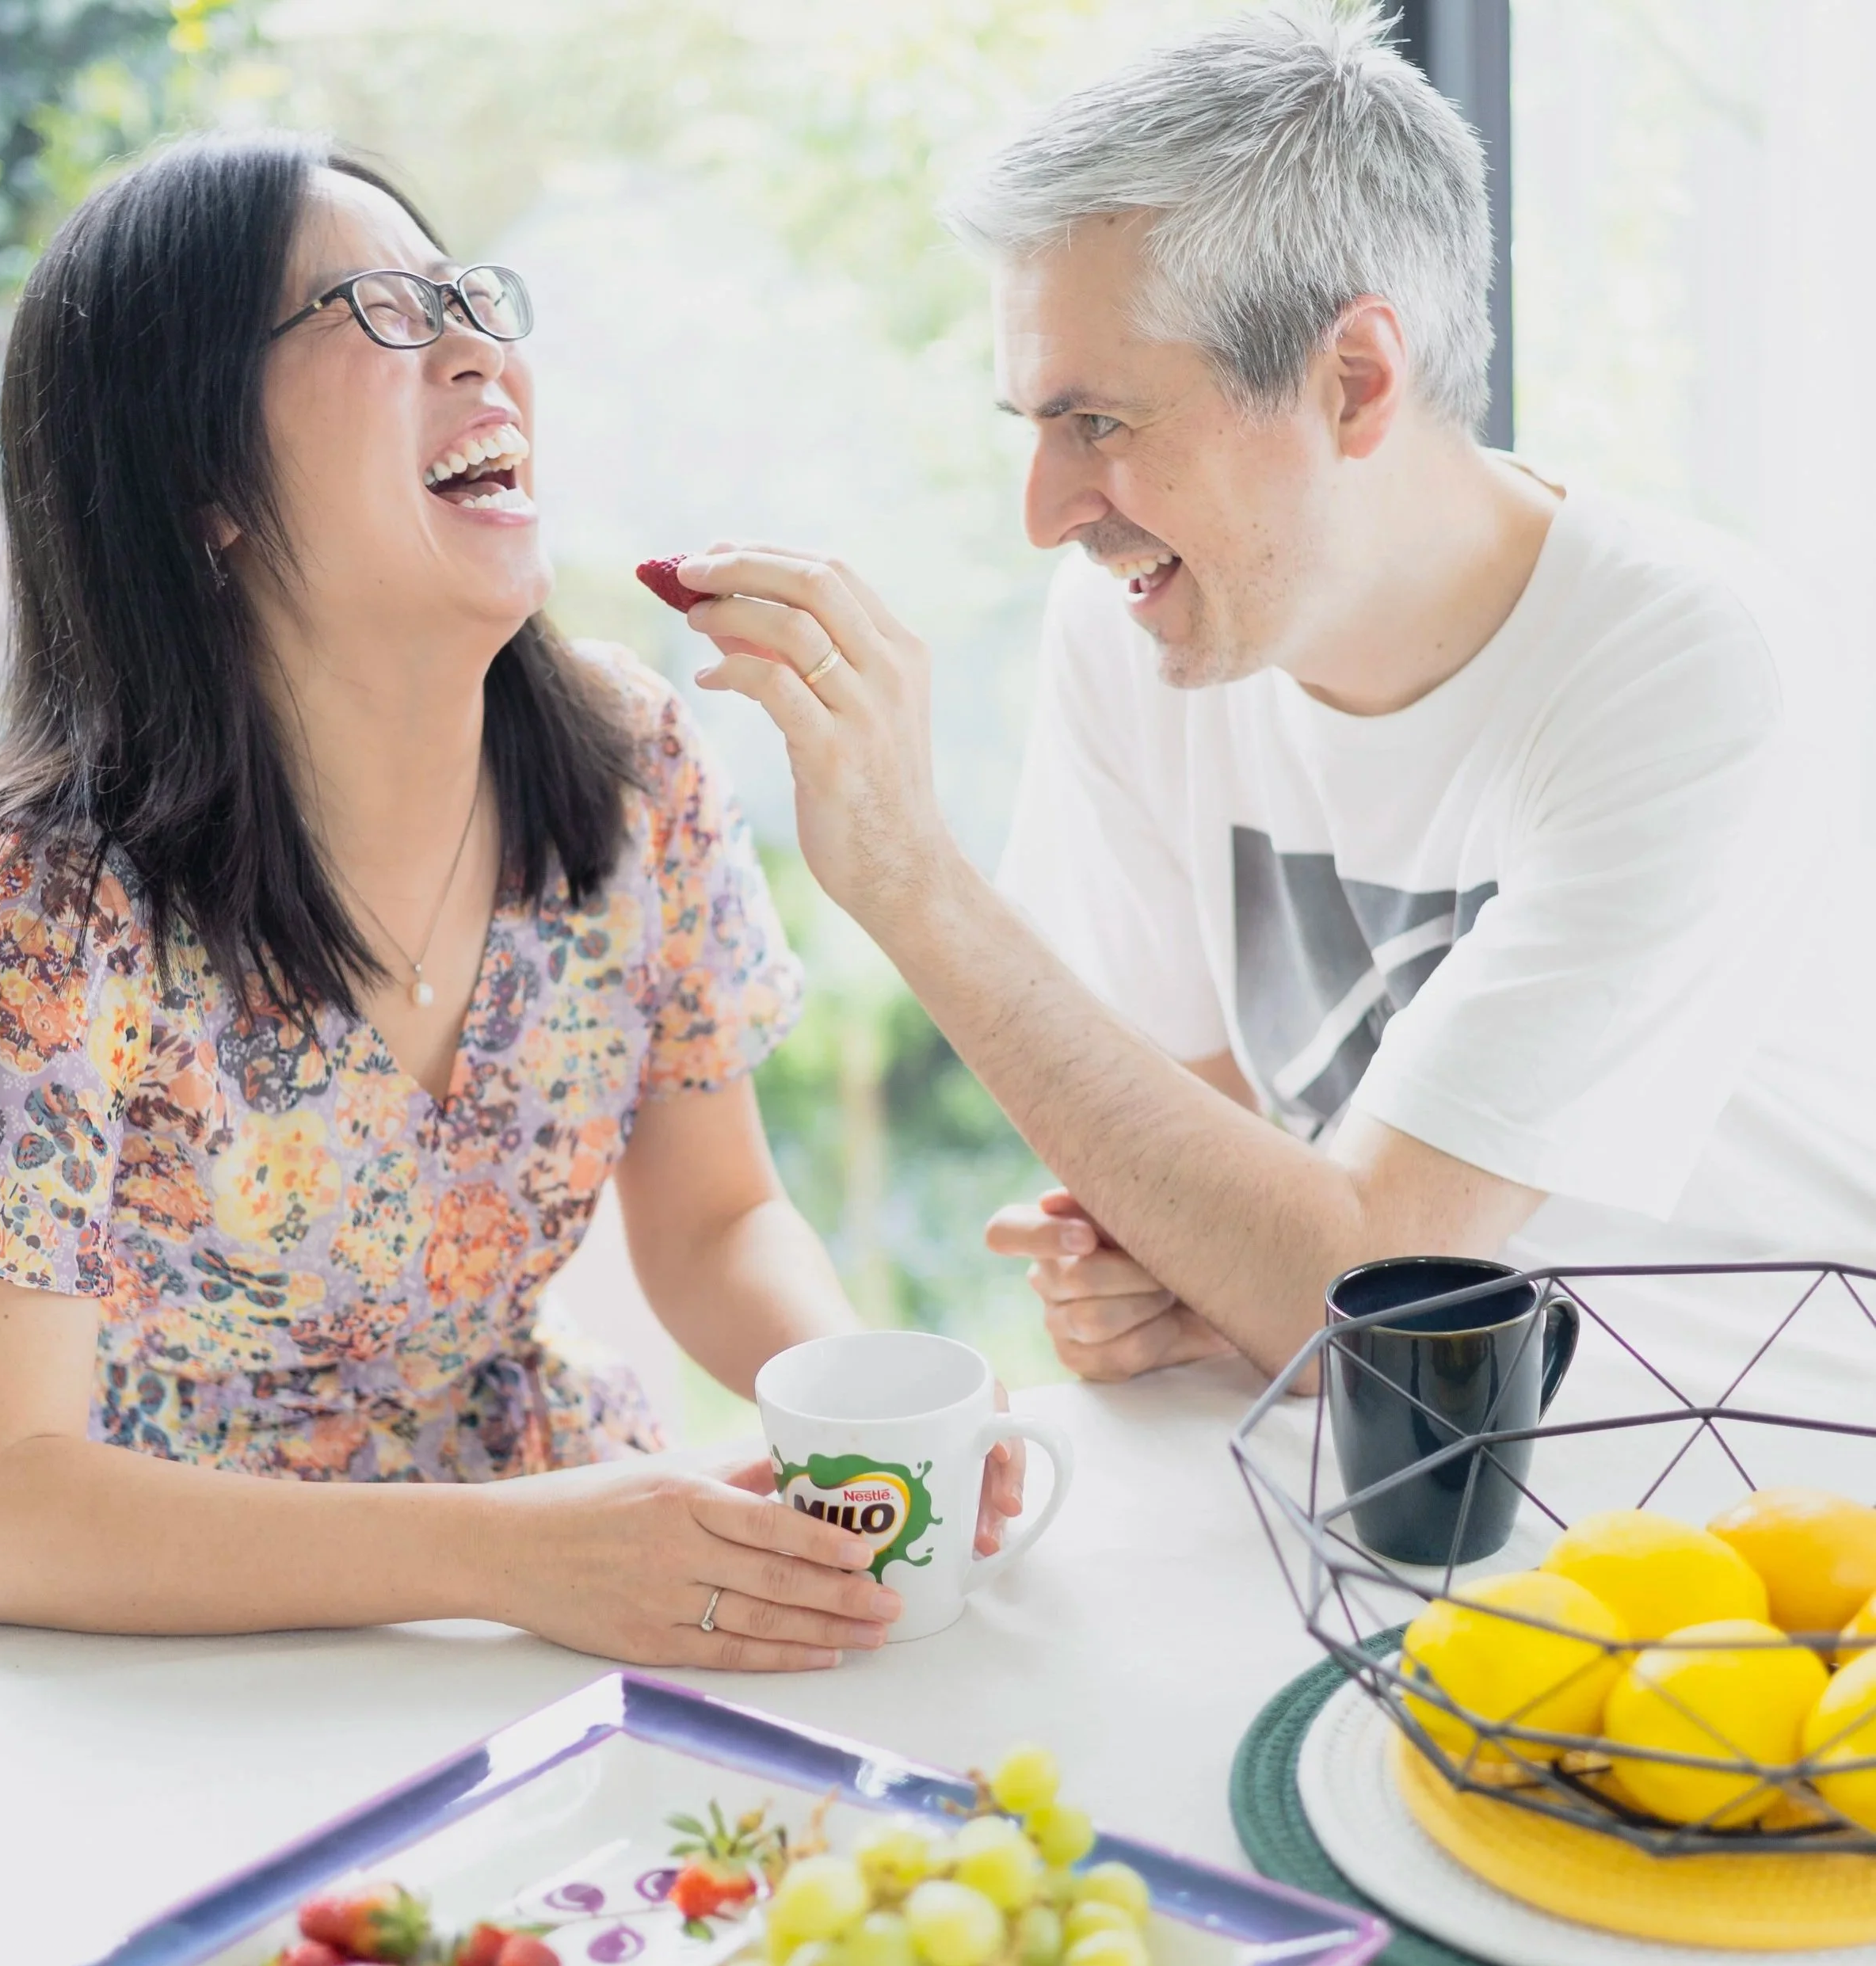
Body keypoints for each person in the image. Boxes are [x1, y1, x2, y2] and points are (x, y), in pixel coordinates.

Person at [0, 131, 1020, 1660]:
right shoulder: (59, 907)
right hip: (174, 1647)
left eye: (472, 300)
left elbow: (717, 1219)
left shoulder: (638, 766)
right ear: (199, 487)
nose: (484, 350)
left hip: (555, 1587)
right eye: (381, 314)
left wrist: (882, 1414)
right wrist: (508, 1556)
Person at [681, 2, 1876, 1386]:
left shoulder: (1691, 674)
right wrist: (1155, 1271)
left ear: (1355, 380)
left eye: (1100, 423)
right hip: (1356, 1494)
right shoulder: (1142, 630)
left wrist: (911, 880)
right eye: (1034, 426)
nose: (1047, 511)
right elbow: (1172, 1153)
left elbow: (1358, 1295)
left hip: (1747, 1526)